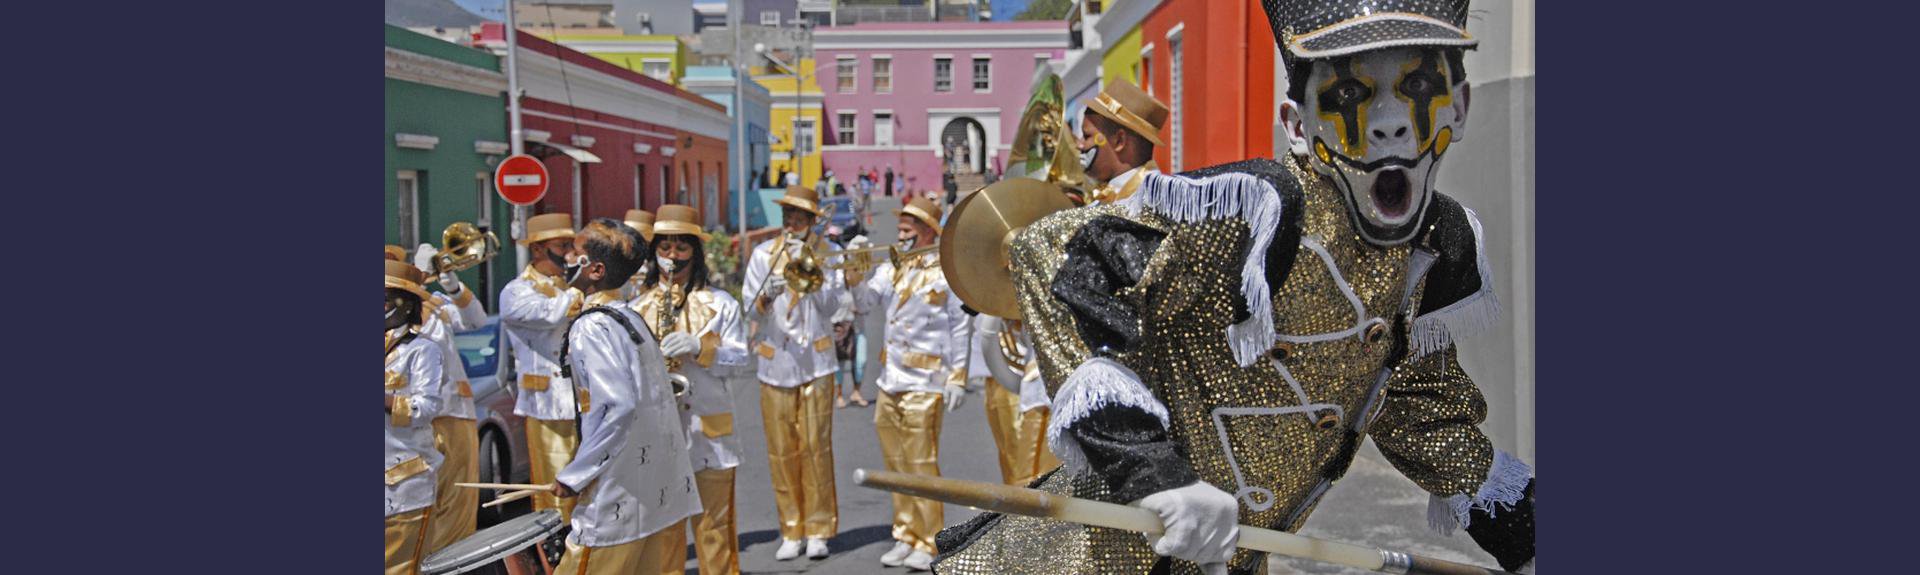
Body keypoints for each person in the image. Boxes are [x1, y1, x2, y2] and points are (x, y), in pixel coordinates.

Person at [936, 1, 1536, 573]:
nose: (1388, 122)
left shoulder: (1432, 248)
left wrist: (1529, 537)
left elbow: (1418, 411)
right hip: (1085, 556)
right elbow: (1054, 249)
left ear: (1458, 105)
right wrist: (1156, 477)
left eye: (1421, 88)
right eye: (1350, 93)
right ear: (1297, 124)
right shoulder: (1257, 212)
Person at [550, 217, 701, 574]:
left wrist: (576, 475)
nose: (566, 258)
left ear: (596, 270)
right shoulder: (630, 317)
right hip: (650, 497)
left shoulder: (592, 326)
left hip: (615, 499)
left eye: (575, 252)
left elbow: (616, 406)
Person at [846, 197, 971, 571]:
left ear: (929, 232)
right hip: (891, 379)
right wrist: (854, 271)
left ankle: (929, 539)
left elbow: (960, 325)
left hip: (927, 381)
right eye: (899, 229)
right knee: (895, 463)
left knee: (921, 463)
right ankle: (904, 532)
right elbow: (865, 302)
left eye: (906, 230)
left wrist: (958, 376)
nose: (899, 236)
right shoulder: (892, 269)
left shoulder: (945, 271)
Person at [632, 205, 751, 575]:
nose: (672, 256)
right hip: (661, 434)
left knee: (715, 527)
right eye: (664, 247)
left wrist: (701, 348)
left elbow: (741, 360)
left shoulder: (721, 304)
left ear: (694, 253)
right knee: (664, 532)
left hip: (710, 436)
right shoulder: (636, 307)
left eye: (681, 247)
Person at [743, 185, 847, 561]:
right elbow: (750, 311)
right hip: (776, 363)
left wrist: (814, 276)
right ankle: (791, 528)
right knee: (781, 451)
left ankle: (819, 529)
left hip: (817, 363)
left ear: (811, 221)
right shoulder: (762, 255)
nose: (792, 222)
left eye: (799, 217)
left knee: (816, 447)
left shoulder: (830, 252)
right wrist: (766, 296)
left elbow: (835, 305)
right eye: (788, 215)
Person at [396, 244, 490, 555]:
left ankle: (455, 561)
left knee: (459, 498)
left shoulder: (437, 306)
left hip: (454, 412)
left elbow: (476, 319)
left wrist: (449, 281)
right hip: (406, 421)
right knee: (414, 503)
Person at [498, 213, 586, 520]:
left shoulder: (569, 286)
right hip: (546, 406)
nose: (571, 253)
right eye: (563, 245)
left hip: (583, 402)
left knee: (590, 491)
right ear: (538, 250)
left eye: (571, 245)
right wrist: (580, 286)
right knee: (556, 494)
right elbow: (550, 315)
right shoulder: (516, 292)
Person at [385, 260, 448, 575]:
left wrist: (385, 401)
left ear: (403, 303)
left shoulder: (422, 350)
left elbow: (427, 407)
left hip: (406, 484)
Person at [1077, 78, 1167, 206]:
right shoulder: (1103, 201)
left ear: (1119, 141)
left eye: (1087, 136)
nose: (1079, 144)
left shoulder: (1157, 202)